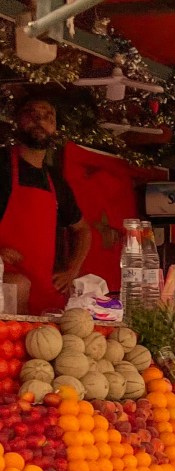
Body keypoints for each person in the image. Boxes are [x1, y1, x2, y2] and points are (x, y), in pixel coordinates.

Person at [0, 94, 91, 315]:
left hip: (42, 291)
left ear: (55, 127)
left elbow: (83, 230)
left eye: (47, 116)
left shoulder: (56, 182)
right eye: (31, 114)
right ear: (17, 121)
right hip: (5, 289)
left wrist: (72, 270)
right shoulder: (1, 166)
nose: (40, 120)